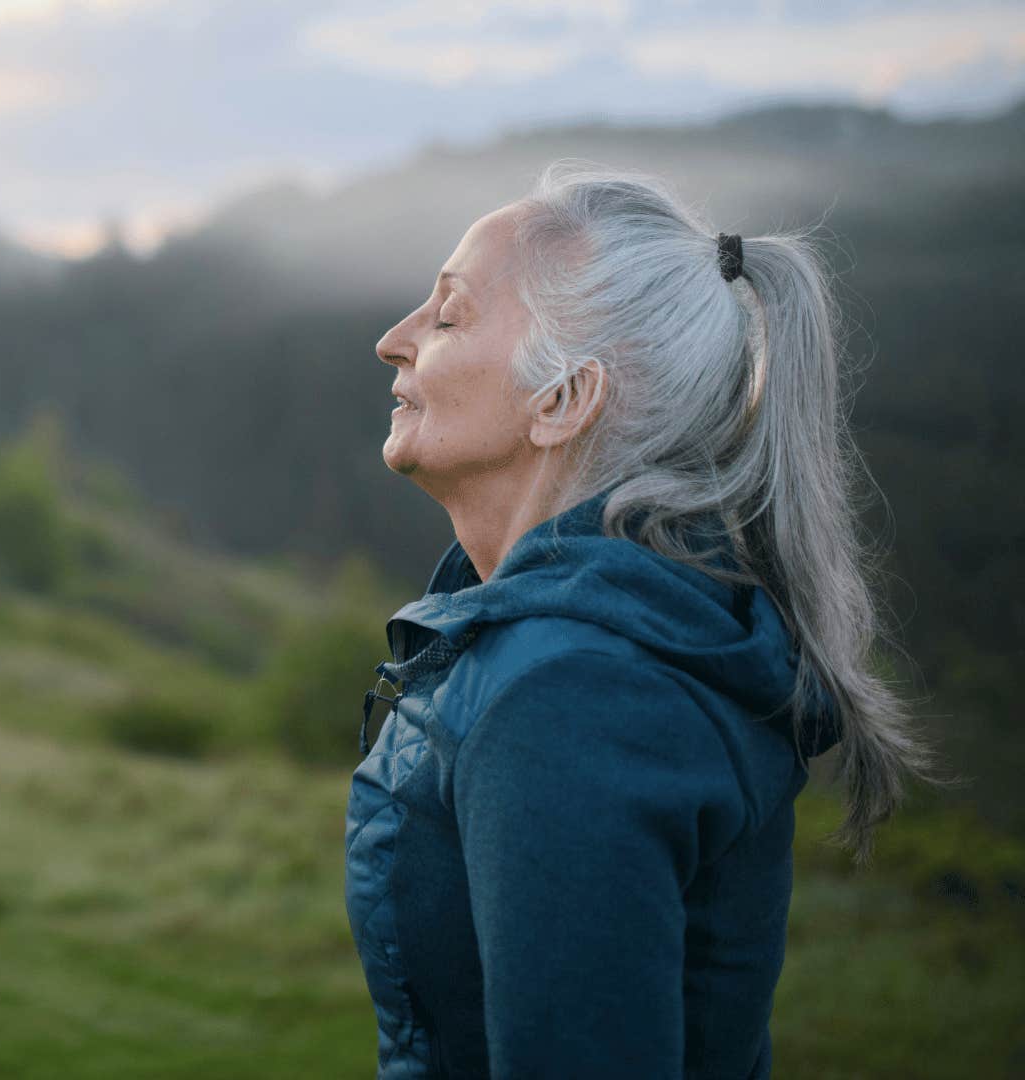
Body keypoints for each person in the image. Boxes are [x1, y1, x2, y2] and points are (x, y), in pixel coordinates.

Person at [343, 160, 949, 1078]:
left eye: (450, 313)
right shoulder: (615, 637)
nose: (395, 340)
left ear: (563, 400)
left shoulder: (570, 696)